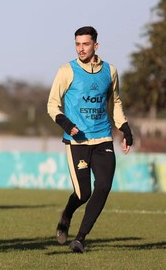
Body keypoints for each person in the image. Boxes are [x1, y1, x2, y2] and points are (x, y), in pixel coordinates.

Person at [47, 26, 133, 253]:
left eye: (85, 44)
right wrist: (67, 125)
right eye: (77, 44)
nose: (80, 48)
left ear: (96, 45)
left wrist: (125, 128)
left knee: (103, 187)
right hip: (77, 143)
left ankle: (81, 239)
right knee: (83, 193)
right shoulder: (67, 70)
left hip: (103, 139)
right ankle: (67, 214)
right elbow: (52, 104)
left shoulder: (110, 71)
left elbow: (115, 102)